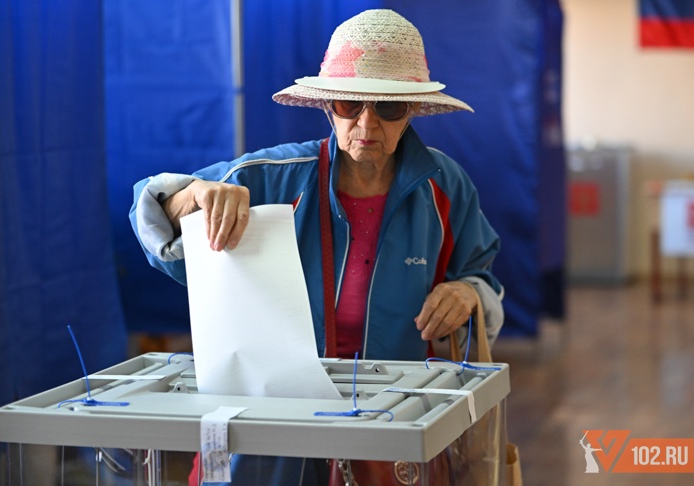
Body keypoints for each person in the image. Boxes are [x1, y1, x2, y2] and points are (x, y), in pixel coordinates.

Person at [130, 9, 504, 485]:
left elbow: (482, 277)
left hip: (394, 425)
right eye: (350, 104)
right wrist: (193, 196)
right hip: (268, 424)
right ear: (328, 107)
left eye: (388, 107)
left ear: (411, 110)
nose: (367, 123)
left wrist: (469, 293)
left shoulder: (446, 187)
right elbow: (154, 215)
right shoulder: (269, 178)